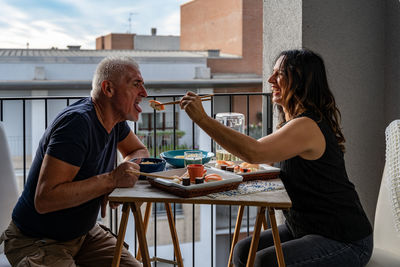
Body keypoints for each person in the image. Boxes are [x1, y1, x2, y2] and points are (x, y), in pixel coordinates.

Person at [180, 49, 373, 267]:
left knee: (266, 262)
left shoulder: (307, 126)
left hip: (345, 238)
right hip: (305, 228)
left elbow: (254, 152)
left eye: (279, 74)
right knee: (243, 251)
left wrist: (203, 119)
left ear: (301, 81)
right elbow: (260, 157)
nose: (271, 80)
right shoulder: (294, 124)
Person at [0, 56, 149, 267]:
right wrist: (110, 180)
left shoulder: (115, 121)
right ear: (108, 89)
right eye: (136, 84)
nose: (144, 93)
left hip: (84, 235)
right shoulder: (76, 124)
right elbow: (45, 199)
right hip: (37, 240)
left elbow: (138, 150)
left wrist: (122, 176)